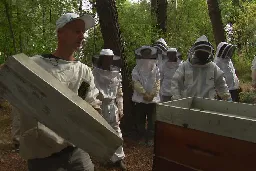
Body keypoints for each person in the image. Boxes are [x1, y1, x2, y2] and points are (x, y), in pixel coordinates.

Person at [19, 13, 101, 171]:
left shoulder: (84, 71)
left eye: (83, 32)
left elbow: (90, 103)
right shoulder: (35, 64)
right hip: (43, 151)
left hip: (76, 148)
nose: (82, 35)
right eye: (76, 31)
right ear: (60, 32)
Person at [92, 49, 126, 170]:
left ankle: (119, 158)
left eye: (110, 58)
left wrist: (121, 108)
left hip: (113, 107)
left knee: (117, 132)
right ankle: (106, 159)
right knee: (102, 133)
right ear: (101, 59)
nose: (108, 61)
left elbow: (119, 92)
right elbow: (91, 91)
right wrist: (95, 106)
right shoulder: (95, 72)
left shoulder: (116, 73)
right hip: (100, 106)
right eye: (106, 58)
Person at [171, 35, 232, 101]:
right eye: (200, 53)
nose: (203, 55)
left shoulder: (213, 67)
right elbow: (175, 83)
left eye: (205, 53)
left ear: (209, 54)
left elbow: (221, 85)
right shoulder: (185, 66)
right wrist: (177, 99)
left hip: (209, 104)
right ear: (195, 52)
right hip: (188, 104)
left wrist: (227, 98)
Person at [132, 46, 160, 146]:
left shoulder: (155, 68)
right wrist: (144, 93)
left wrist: (152, 94)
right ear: (141, 54)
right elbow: (135, 82)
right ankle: (142, 137)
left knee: (152, 120)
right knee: (140, 119)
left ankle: (150, 138)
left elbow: (157, 82)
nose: (146, 55)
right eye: (145, 53)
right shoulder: (137, 68)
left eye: (148, 53)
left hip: (152, 100)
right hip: (140, 99)